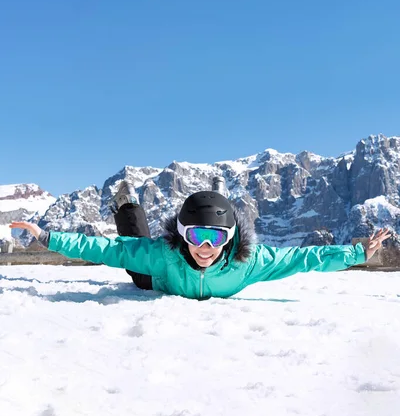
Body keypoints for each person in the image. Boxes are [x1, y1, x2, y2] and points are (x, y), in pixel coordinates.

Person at [10, 180, 391, 300]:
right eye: (196, 236)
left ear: (230, 239)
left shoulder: (250, 262)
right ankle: (126, 204)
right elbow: (105, 249)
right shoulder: (165, 255)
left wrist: (356, 252)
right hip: (156, 279)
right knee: (132, 250)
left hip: (173, 273)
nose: (205, 247)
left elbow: (302, 257)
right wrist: (47, 236)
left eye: (215, 237)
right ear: (182, 234)